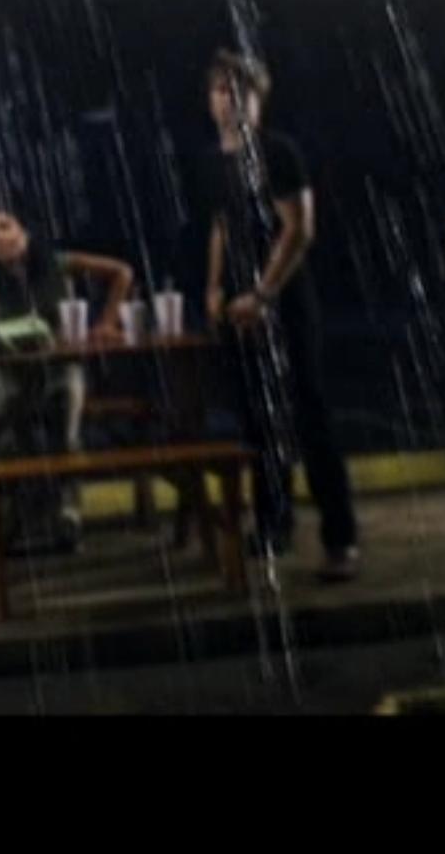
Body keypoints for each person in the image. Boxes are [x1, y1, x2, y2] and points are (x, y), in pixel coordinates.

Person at [183, 49, 360, 582]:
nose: (229, 100)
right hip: (237, 304)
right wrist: (214, 288)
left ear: (258, 99)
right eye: (221, 90)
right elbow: (221, 227)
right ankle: (272, 524)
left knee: (309, 414)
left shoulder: (278, 151)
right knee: (257, 420)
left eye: (240, 90)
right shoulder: (212, 161)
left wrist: (262, 295)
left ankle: (340, 539)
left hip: (284, 301)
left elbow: (299, 230)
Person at [0, 206, 135, 554]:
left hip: (60, 365)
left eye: (5, 226)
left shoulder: (57, 263)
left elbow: (122, 272)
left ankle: (67, 514)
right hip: (10, 371)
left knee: (66, 427)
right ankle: (21, 515)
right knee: (18, 431)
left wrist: (108, 322)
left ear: (24, 231)